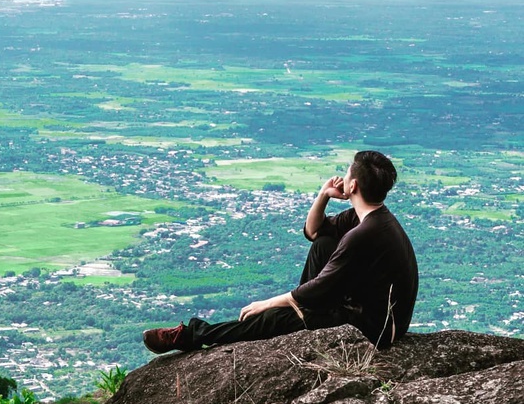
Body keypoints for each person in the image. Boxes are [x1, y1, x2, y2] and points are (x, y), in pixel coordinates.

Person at [143, 150, 418, 354]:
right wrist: (323, 195)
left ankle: (193, 335)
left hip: (375, 328)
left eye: (347, 174)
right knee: (323, 243)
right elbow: (314, 232)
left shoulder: (362, 234)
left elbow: (321, 285)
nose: (343, 177)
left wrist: (269, 302)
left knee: (272, 317)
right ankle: (301, 316)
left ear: (353, 185)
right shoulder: (370, 218)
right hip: (370, 307)